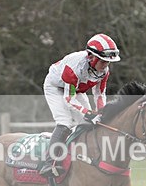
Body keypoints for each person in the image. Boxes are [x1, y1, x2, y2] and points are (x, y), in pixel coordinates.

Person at [40, 33, 121, 175]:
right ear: (91, 57)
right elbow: (69, 99)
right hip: (56, 88)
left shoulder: (104, 71)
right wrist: (88, 113)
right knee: (65, 122)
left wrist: (101, 112)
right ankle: (49, 163)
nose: (105, 65)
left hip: (76, 90)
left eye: (108, 62)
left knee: (89, 124)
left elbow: (99, 94)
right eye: (103, 61)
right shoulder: (74, 68)